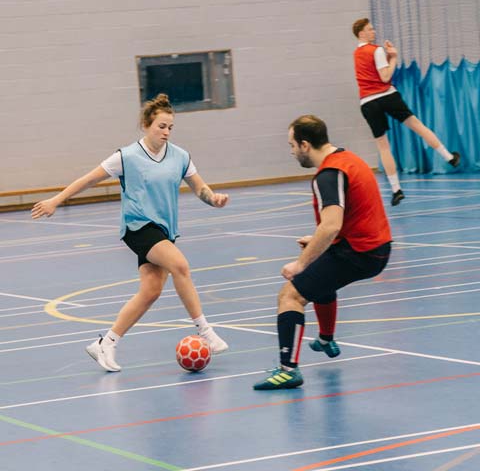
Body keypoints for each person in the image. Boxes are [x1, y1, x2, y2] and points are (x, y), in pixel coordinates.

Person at [32, 93, 229, 372]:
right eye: (161, 126)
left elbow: (201, 189)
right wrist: (56, 200)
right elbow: (87, 180)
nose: (166, 132)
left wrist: (214, 199)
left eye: (170, 127)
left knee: (150, 291)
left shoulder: (181, 156)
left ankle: (105, 343)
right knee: (180, 266)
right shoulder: (126, 157)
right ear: (146, 125)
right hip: (138, 227)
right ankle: (206, 332)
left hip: (164, 229)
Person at [253, 115, 391, 390]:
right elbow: (344, 221)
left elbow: (330, 226)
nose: (291, 151)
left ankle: (287, 370)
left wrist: (300, 263)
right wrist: (317, 242)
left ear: (305, 145)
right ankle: (326, 339)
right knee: (322, 270)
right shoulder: (347, 158)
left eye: (292, 145)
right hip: (375, 247)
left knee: (290, 295)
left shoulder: (328, 175)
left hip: (361, 252)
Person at [352, 18, 460, 206]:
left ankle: (396, 190)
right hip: (387, 95)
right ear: (360, 33)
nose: (373, 31)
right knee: (418, 126)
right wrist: (392, 57)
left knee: (383, 147)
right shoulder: (376, 50)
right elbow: (385, 77)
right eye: (369, 29)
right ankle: (448, 157)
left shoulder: (356, 54)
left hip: (368, 102)